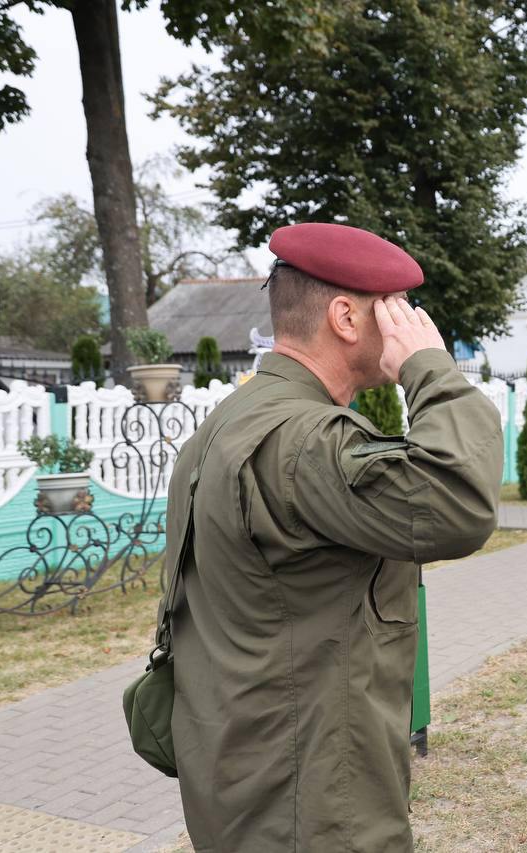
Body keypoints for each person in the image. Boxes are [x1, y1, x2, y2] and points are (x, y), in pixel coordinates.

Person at [165, 223, 504, 851]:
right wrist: (431, 371)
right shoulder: (304, 442)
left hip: (245, 772)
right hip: (312, 801)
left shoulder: (230, 421)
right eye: (398, 312)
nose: (414, 327)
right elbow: (458, 503)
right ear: (346, 317)